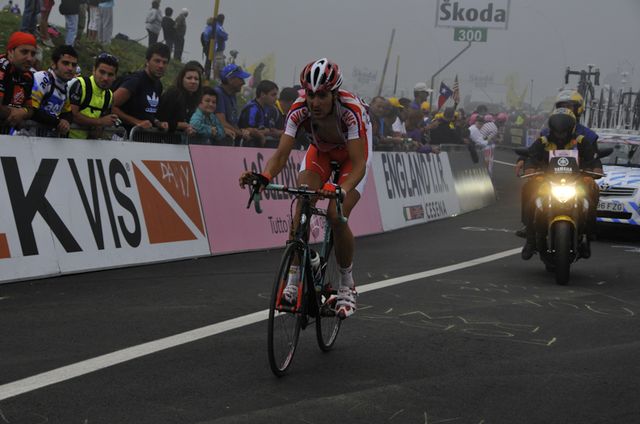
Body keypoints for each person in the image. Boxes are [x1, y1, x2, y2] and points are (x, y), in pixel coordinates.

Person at [239, 58, 372, 319]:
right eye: (310, 94)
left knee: (336, 214)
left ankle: (347, 283)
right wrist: (265, 176)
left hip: (351, 157)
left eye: (322, 95)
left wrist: (341, 190)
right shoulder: (299, 109)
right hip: (320, 152)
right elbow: (281, 154)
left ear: (334, 94)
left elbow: (359, 165)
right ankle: (292, 282)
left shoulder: (351, 111)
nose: (315, 102)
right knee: (302, 204)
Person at [520, 108, 602, 260]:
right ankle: (530, 238)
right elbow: (531, 155)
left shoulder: (581, 141)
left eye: (563, 131)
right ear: (551, 128)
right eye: (557, 131)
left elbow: (593, 158)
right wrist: (530, 169)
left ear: (571, 128)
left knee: (592, 193)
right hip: (547, 180)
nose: (560, 134)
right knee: (528, 191)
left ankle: (588, 235)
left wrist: (594, 171)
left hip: (576, 181)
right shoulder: (543, 141)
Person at [112, 43, 170, 135]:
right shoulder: (134, 82)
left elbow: (146, 112)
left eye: (164, 62)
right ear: (147, 61)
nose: (161, 66)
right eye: (157, 61)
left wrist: (157, 122)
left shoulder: (158, 85)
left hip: (142, 141)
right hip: (122, 138)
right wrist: (137, 122)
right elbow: (109, 106)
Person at [67, 52, 119, 139]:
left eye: (110, 74)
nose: (105, 78)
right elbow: (72, 114)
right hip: (66, 142)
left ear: (115, 77)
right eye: (102, 72)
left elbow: (100, 126)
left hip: (89, 147)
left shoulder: (109, 95)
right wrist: (100, 122)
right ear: (94, 70)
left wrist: (102, 126)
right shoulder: (80, 84)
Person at [30, 45, 78, 136]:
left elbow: (67, 113)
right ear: (53, 64)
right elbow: (32, 109)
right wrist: (57, 122)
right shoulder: (43, 78)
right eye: (65, 63)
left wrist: (66, 121)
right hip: (25, 137)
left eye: (74, 65)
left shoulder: (65, 87)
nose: (70, 68)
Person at [0, 32, 37, 129]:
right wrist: (14, 113)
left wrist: (23, 112)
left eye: (33, 54)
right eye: (24, 52)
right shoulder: (2, 67)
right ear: (10, 52)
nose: (29, 58)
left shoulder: (28, 75)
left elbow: (31, 109)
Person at [157, 61, 202, 137]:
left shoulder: (197, 98)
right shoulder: (173, 94)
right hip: (162, 139)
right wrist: (179, 125)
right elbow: (160, 119)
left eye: (196, 79)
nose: (193, 81)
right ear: (182, 79)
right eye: (189, 78)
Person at [214, 63, 251, 143]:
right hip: (218, 142)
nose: (243, 82)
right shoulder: (218, 93)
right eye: (241, 79)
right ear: (230, 79)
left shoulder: (232, 95)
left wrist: (242, 131)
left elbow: (232, 122)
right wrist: (241, 133)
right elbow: (221, 122)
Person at [238, 79, 281, 147]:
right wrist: (263, 133)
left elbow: (269, 130)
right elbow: (248, 130)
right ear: (263, 94)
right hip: (246, 146)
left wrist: (268, 131)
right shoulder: (252, 109)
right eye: (273, 95)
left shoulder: (272, 109)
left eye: (276, 95)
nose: (276, 98)